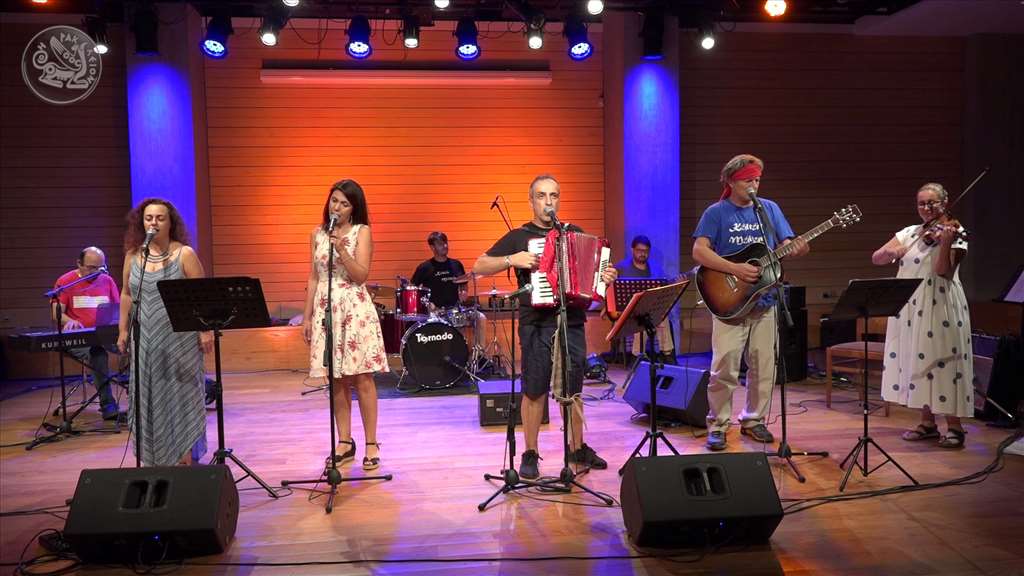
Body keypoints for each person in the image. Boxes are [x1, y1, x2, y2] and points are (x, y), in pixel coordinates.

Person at [472, 174, 617, 480]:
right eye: (541, 196)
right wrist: (512, 259)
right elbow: (479, 265)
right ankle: (530, 452)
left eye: (553, 195)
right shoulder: (519, 237)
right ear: (531, 201)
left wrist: (604, 277)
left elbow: (593, 279)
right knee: (535, 388)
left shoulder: (573, 233)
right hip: (536, 324)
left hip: (571, 321)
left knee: (573, 389)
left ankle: (577, 448)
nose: (548, 202)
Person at [692, 154, 809, 451]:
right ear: (731, 182)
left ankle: (753, 420)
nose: (754, 185)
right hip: (729, 302)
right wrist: (735, 269)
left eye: (757, 180)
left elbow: (786, 243)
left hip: (765, 300)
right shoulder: (716, 212)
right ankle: (718, 424)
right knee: (724, 367)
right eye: (748, 181)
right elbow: (699, 251)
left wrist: (797, 248)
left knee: (764, 365)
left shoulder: (769, 209)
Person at [873, 182, 973, 449]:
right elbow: (876, 258)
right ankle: (927, 423)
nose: (927, 208)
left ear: (945, 203)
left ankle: (955, 426)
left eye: (932, 203)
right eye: (922, 203)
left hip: (941, 305)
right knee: (917, 361)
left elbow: (943, 272)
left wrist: (946, 243)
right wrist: (891, 252)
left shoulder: (956, 233)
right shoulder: (909, 233)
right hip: (910, 306)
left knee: (942, 361)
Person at [116, 198, 213, 466]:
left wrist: (204, 330)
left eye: (160, 218)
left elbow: (201, 295)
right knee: (149, 395)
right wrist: (122, 330)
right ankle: (155, 459)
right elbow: (126, 294)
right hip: (145, 340)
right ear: (141, 222)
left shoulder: (185, 254)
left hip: (180, 339)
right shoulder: (133, 256)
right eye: (149, 218)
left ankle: (184, 458)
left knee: (180, 395)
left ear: (171, 223)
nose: (154, 223)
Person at [302, 179, 389, 470]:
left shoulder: (361, 232)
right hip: (326, 310)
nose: (336, 207)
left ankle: (371, 443)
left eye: (344, 203)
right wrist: (307, 316)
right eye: (334, 200)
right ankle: (344, 440)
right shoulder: (317, 234)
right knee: (336, 378)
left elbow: (361, 275)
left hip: (354, 309)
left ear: (354, 208)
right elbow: (314, 276)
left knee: (362, 377)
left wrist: (342, 250)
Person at [52, 247, 122, 420]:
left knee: (134, 348)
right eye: (91, 268)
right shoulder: (65, 281)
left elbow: (117, 310)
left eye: (100, 267)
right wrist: (70, 321)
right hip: (78, 339)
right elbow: (56, 314)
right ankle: (108, 406)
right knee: (97, 353)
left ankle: (138, 400)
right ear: (79, 264)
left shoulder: (107, 281)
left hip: (104, 334)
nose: (96, 272)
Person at [410, 231, 487, 349]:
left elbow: (463, 283)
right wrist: (427, 304)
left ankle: (479, 354)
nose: (445, 246)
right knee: (445, 342)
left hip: (455, 309)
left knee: (480, 318)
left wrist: (464, 291)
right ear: (432, 247)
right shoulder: (425, 267)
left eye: (446, 243)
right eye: (440, 244)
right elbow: (413, 289)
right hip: (435, 312)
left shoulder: (456, 264)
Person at [613, 235, 676, 364]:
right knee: (642, 318)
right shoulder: (621, 268)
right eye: (639, 250)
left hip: (647, 309)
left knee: (662, 317)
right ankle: (637, 356)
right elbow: (610, 289)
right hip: (628, 310)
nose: (643, 254)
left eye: (646, 251)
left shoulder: (655, 269)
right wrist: (608, 307)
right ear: (632, 250)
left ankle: (667, 355)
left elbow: (661, 288)